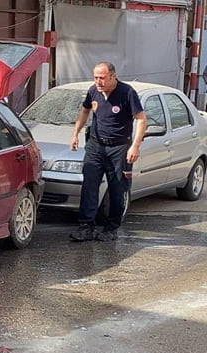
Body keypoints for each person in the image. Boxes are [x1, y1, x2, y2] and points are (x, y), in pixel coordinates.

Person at [69, 62, 147, 242]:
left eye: (102, 78)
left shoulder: (127, 93)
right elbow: (84, 111)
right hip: (95, 146)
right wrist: (75, 134)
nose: (98, 81)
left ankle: (111, 228)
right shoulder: (93, 91)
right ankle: (85, 227)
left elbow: (141, 119)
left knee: (117, 189)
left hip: (119, 148)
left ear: (113, 76)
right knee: (89, 186)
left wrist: (135, 145)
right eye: (96, 77)